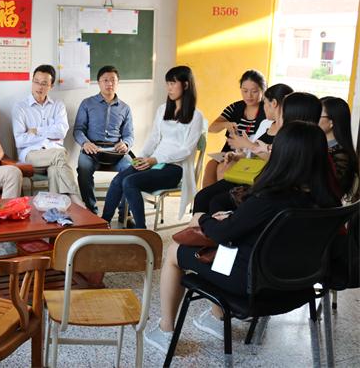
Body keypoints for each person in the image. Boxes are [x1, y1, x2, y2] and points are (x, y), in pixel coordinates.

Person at [144, 121, 340, 352]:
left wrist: (204, 218)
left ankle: (166, 330)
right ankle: (216, 317)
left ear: (283, 155)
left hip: (251, 285)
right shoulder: (330, 201)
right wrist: (233, 219)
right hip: (299, 286)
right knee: (227, 246)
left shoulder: (271, 198)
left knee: (175, 251)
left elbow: (222, 234)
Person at [101, 66, 203, 228]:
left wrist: (155, 160)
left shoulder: (196, 116)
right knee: (118, 180)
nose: (169, 88)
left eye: (173, 83)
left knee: (129, 182)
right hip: (154, 162)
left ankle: (141, 230)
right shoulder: (163, 109)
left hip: (174, 168)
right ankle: (103, 223)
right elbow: (154, 138)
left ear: (185, 85)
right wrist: (141, 158)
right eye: (167, 83)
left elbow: (186, 150)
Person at [193, 91, 321, 216]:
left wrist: (251, 146)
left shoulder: (296, 140)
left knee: (217, 202)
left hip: (266, 185)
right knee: (204, 196)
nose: (278, 112)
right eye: (244, 90)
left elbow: (278, 164)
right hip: (257, 177)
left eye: (282, 110)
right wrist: (245, 152)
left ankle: (207, 224)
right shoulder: (285, 133)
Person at [12, 65, 82, 204]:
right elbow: (20, 140)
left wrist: (37, 131)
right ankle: (75, 199)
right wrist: (50, 132)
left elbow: (61, 131)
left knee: (55, 169)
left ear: (51, 86)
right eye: (36, 82)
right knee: (60, 155)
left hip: (54, 156)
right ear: (32, 82)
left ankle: (54, 209)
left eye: (44, 83)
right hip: (31, 156)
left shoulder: (58, 106)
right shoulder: (20, 107)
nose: (39, 86)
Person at [74, 65, 134, 215]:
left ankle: (124, 212)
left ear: (118, 82)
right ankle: (91, 212)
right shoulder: (87, 103)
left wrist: (126, 144)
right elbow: (78, 130)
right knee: (83, 168)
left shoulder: (125, 108)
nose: (109, 84)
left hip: (115, 151)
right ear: (98, 82)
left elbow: (129, 135)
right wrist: (85, 143)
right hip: (92, 149)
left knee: (131, 170)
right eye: (105, 80)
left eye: (113, 80)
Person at [203, 70, 267, 187]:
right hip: (229, 152)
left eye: (254, 91)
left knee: (223, 168)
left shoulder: (267, 110)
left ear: (263, 90)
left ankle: (221, 196)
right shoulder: (235, 107)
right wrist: (225, 124)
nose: (249, 95)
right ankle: (206, 197)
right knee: (211, 165)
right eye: (245, 91)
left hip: (251, 155)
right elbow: (211, 128)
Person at [319, 96, 359, 201]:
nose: (313, 118)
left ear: (331, 122)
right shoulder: (321, 144)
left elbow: (331, 187)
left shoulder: (341, 153)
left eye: (318, 114)